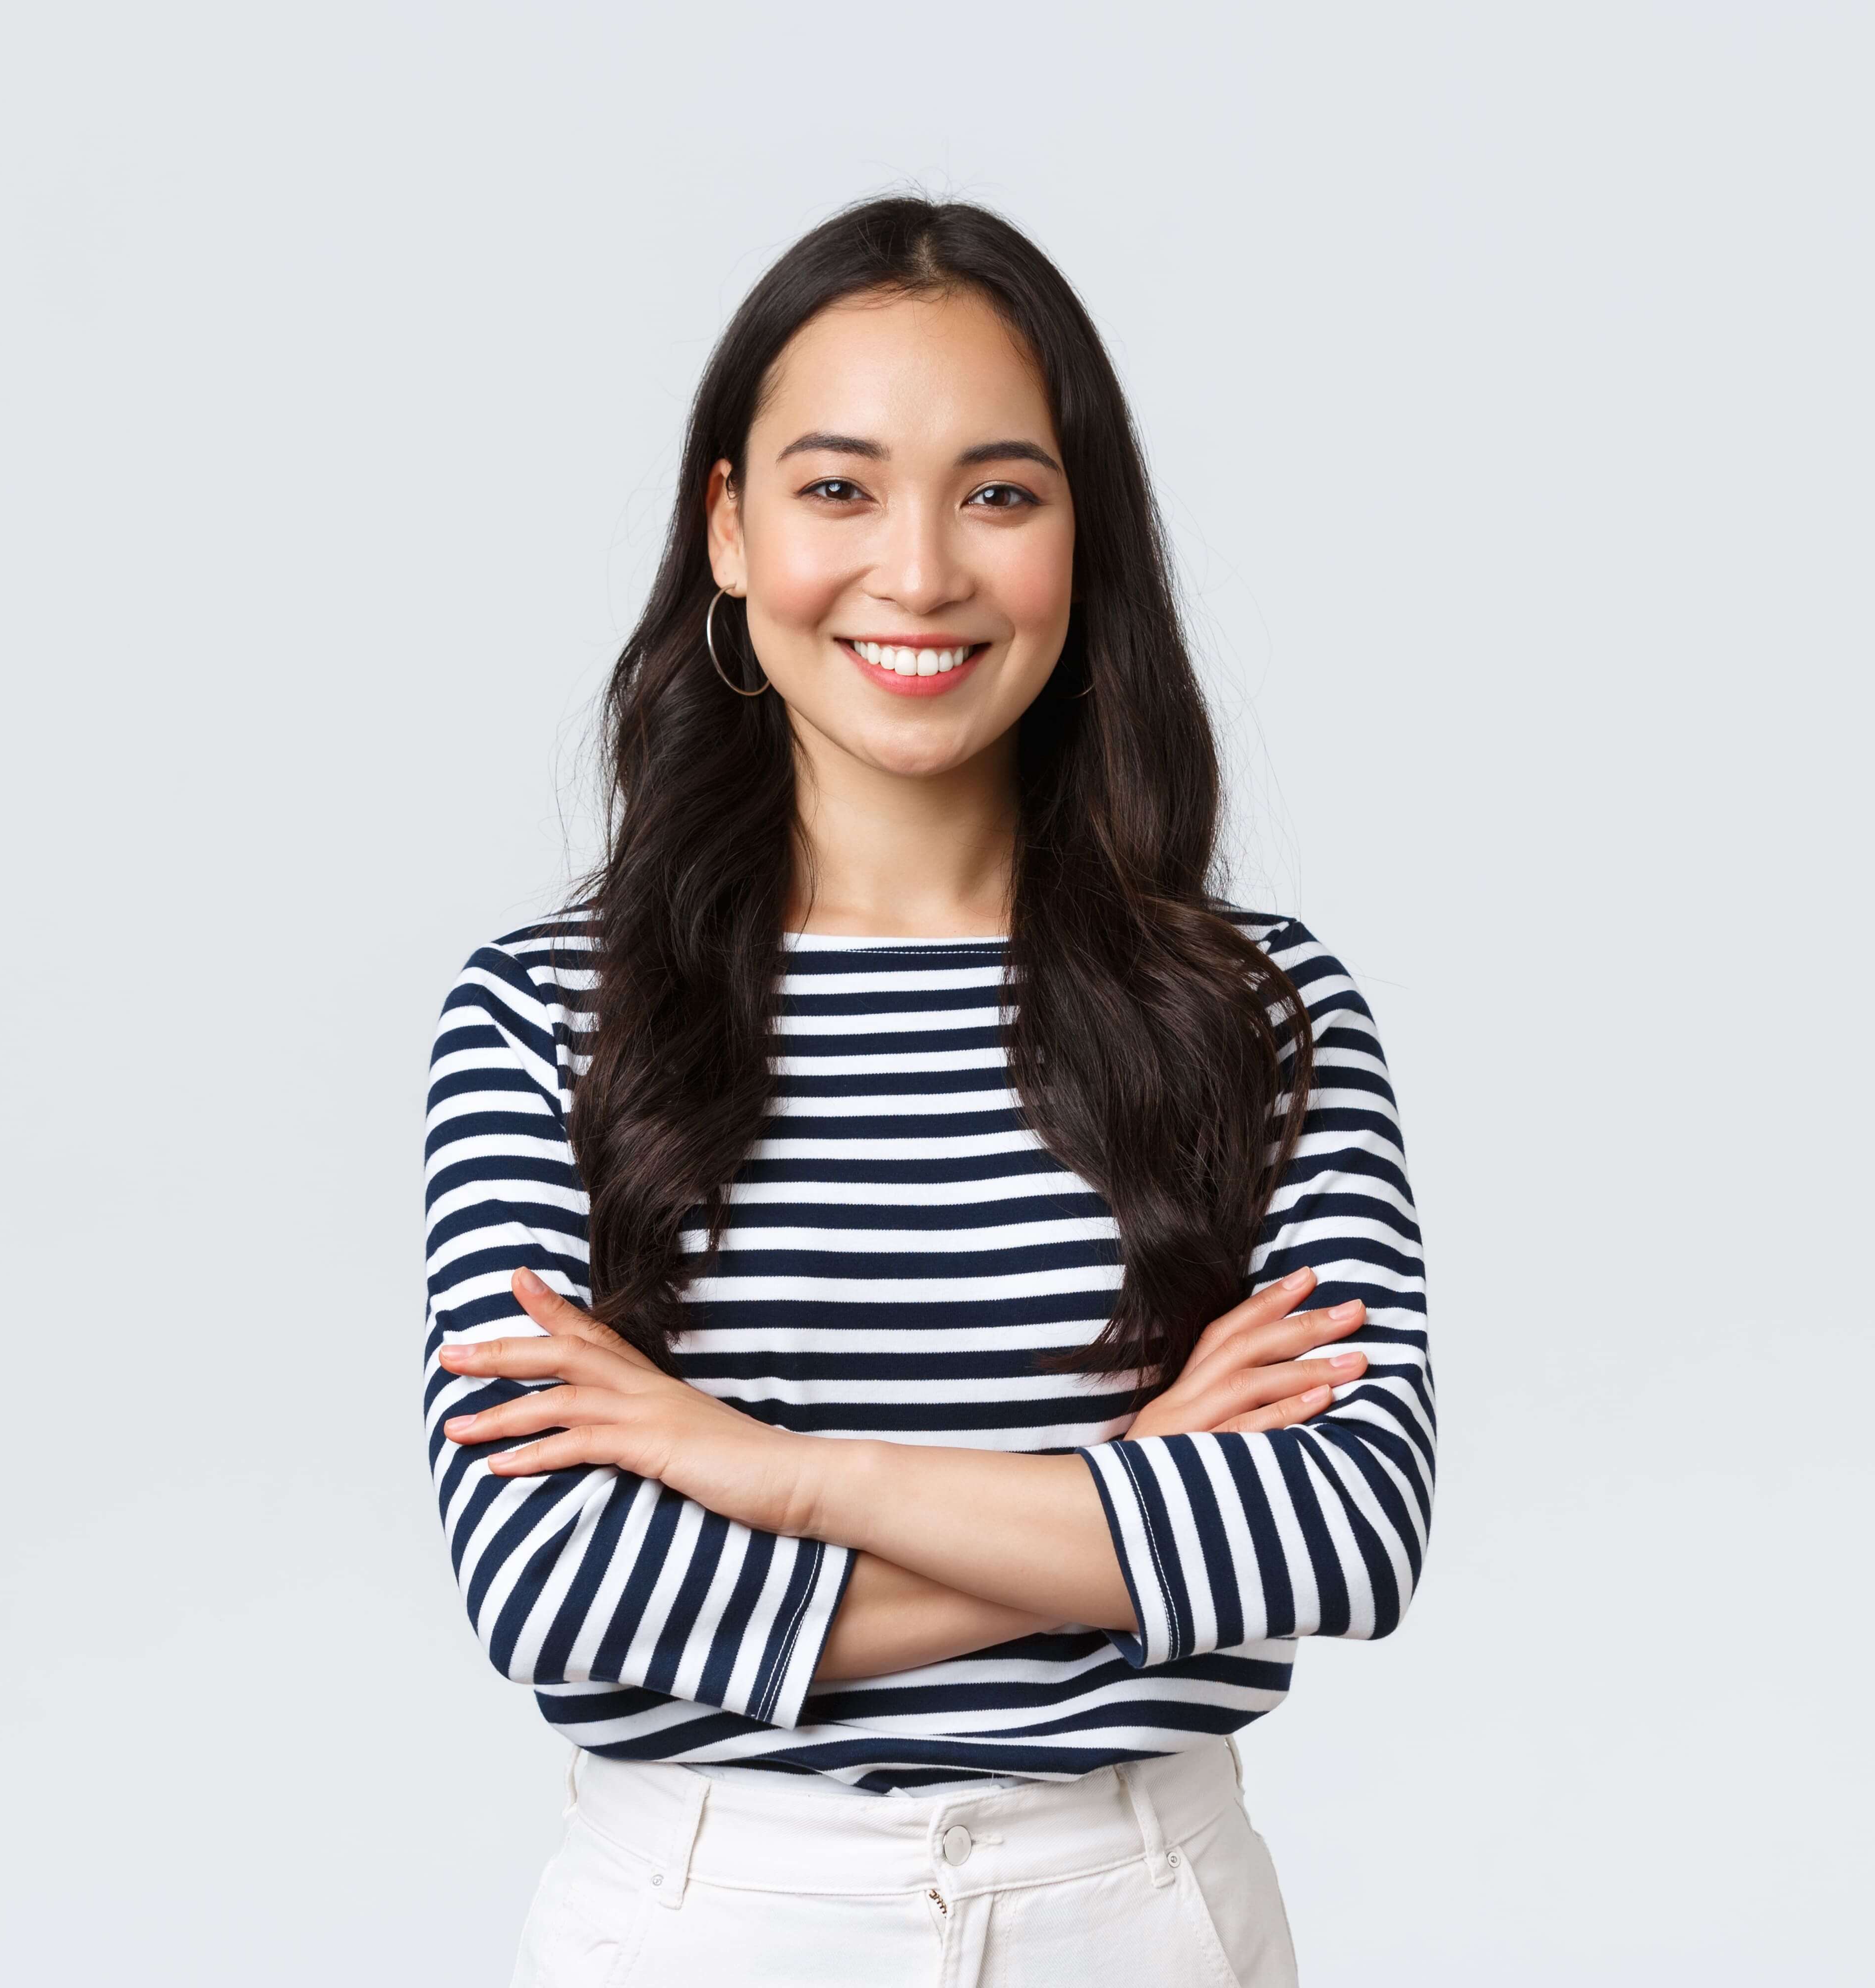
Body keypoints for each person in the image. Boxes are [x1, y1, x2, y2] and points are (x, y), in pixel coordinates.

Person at [421, 196, 1433, 1987]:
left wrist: (761, 1473)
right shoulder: (545, 1017)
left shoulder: (1253, 1010)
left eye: (998, 492)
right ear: (727, 526)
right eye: (837, 489)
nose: (919, 572)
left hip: (1140, 1915)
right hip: (709, 1924)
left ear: (1080, 537)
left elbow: (1336, 1525)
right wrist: (1134, 1484)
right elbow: (560, 1588)